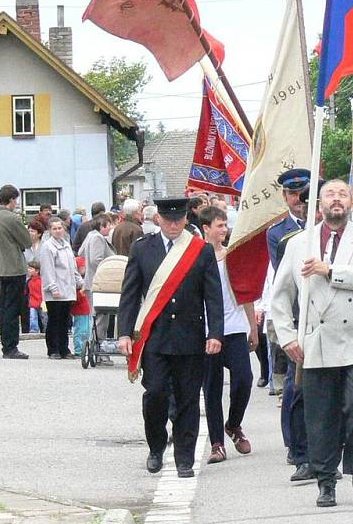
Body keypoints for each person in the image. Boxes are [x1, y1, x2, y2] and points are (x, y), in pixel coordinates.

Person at [272, 179, 353, 508]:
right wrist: (288, 336)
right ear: (318, 204)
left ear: (351, 201)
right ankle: (325, 479)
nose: (336, 200)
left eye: (342, 194)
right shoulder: (298, 244)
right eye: (329, 195)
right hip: (316, 340)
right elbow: (280, 296)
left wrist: (330, 270)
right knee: (320, 415)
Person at [117, 197, 224, 479]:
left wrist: (215, 333)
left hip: (190, 337)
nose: (174, 224)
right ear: (158, 220)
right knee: (155, 395)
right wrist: (125, 332)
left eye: (178, 220)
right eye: (168, 220)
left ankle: (184, 458)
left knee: (188, 399)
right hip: (154, 338)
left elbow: (213, 296)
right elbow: (130, 293)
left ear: (186, 220)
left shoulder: (200, 250)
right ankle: (155, 446)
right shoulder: (143, 249)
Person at [200, 207, 257, 465]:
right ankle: (217, 444)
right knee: (211, 388)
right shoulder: (196, 257)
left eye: (225, 225)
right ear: (206, 228)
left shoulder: (232, 256)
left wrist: (252, 326)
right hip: (207, 330)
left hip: (234, 326)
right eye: (219, 225)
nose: (224, 230)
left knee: (244, 378)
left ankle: (233, 424)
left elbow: (245, 291)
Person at [266, 168, 312, 483]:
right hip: (298, 315)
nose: (299, 200)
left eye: (304, 194)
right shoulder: (279, 233)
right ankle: (295, 448)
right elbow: (284, 278)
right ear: (285, 197)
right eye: (294, 194)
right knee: (295, 387)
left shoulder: (326, 227)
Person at [0, 185, 32, 359]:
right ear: (12, 199)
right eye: (16, 200)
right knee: (14, 309)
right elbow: (27, 240)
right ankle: (11, 347)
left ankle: (7, 345)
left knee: (5, 308)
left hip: (2, 267)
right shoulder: (11, 218)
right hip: (15, 267)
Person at [38, 217, 82, 359]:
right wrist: (52, 287)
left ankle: (64, 348)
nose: (57, 231)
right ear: (50, 231)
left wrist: (78, 281)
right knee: (54, 319)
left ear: (64, 229)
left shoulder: (67, 244)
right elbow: (47, 269)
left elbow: (72, 265)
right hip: (55, 289)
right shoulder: (48, 247)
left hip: (68, 288)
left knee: (65, 319)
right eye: (54, 228)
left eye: (59, 228)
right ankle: (53, 349)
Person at [79, 214, 116, 361]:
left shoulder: (90, 236)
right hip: (99, 283)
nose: (110, 228)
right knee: (101, 318)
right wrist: (108, 268)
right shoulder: (98, 238)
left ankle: (96, 347)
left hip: (90, 281)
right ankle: (99, 351)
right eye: (108, 225)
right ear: (101, 226)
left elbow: (81, 252)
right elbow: (96, 260)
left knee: (97, 317)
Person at [70, 257, 91, 356]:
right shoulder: (77, 285)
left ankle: (84, 348)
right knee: (80, 331)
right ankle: (79, 349)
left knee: (86, 331)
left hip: (86, 311)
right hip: (80, 311)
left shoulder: (83, 282)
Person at [26, 261, 44, 333]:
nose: (29, 270)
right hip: (32, 302)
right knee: (32, 317)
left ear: (37, 271)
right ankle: (34, 329)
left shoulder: (41, 280)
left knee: (44, 317)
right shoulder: (29, 281)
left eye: (31, 268)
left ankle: (45, 329)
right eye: (28, 268)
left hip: (41, 302)